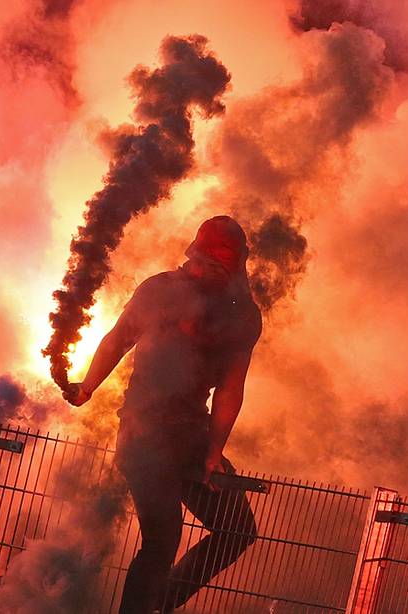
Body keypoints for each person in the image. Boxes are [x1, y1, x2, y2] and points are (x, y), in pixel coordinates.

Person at [67, 216, 262, 613]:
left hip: (191, 437)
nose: (209, 273)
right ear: (194, 255)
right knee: (162, 539)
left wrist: (214, 451)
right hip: (142, 436)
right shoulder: (159, 290)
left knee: (237, 529)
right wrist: (87, 387)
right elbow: (117, 339)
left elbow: (230, 388)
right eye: (206, 263)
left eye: (220, 267)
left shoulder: (240, 313)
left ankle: (160, 603)